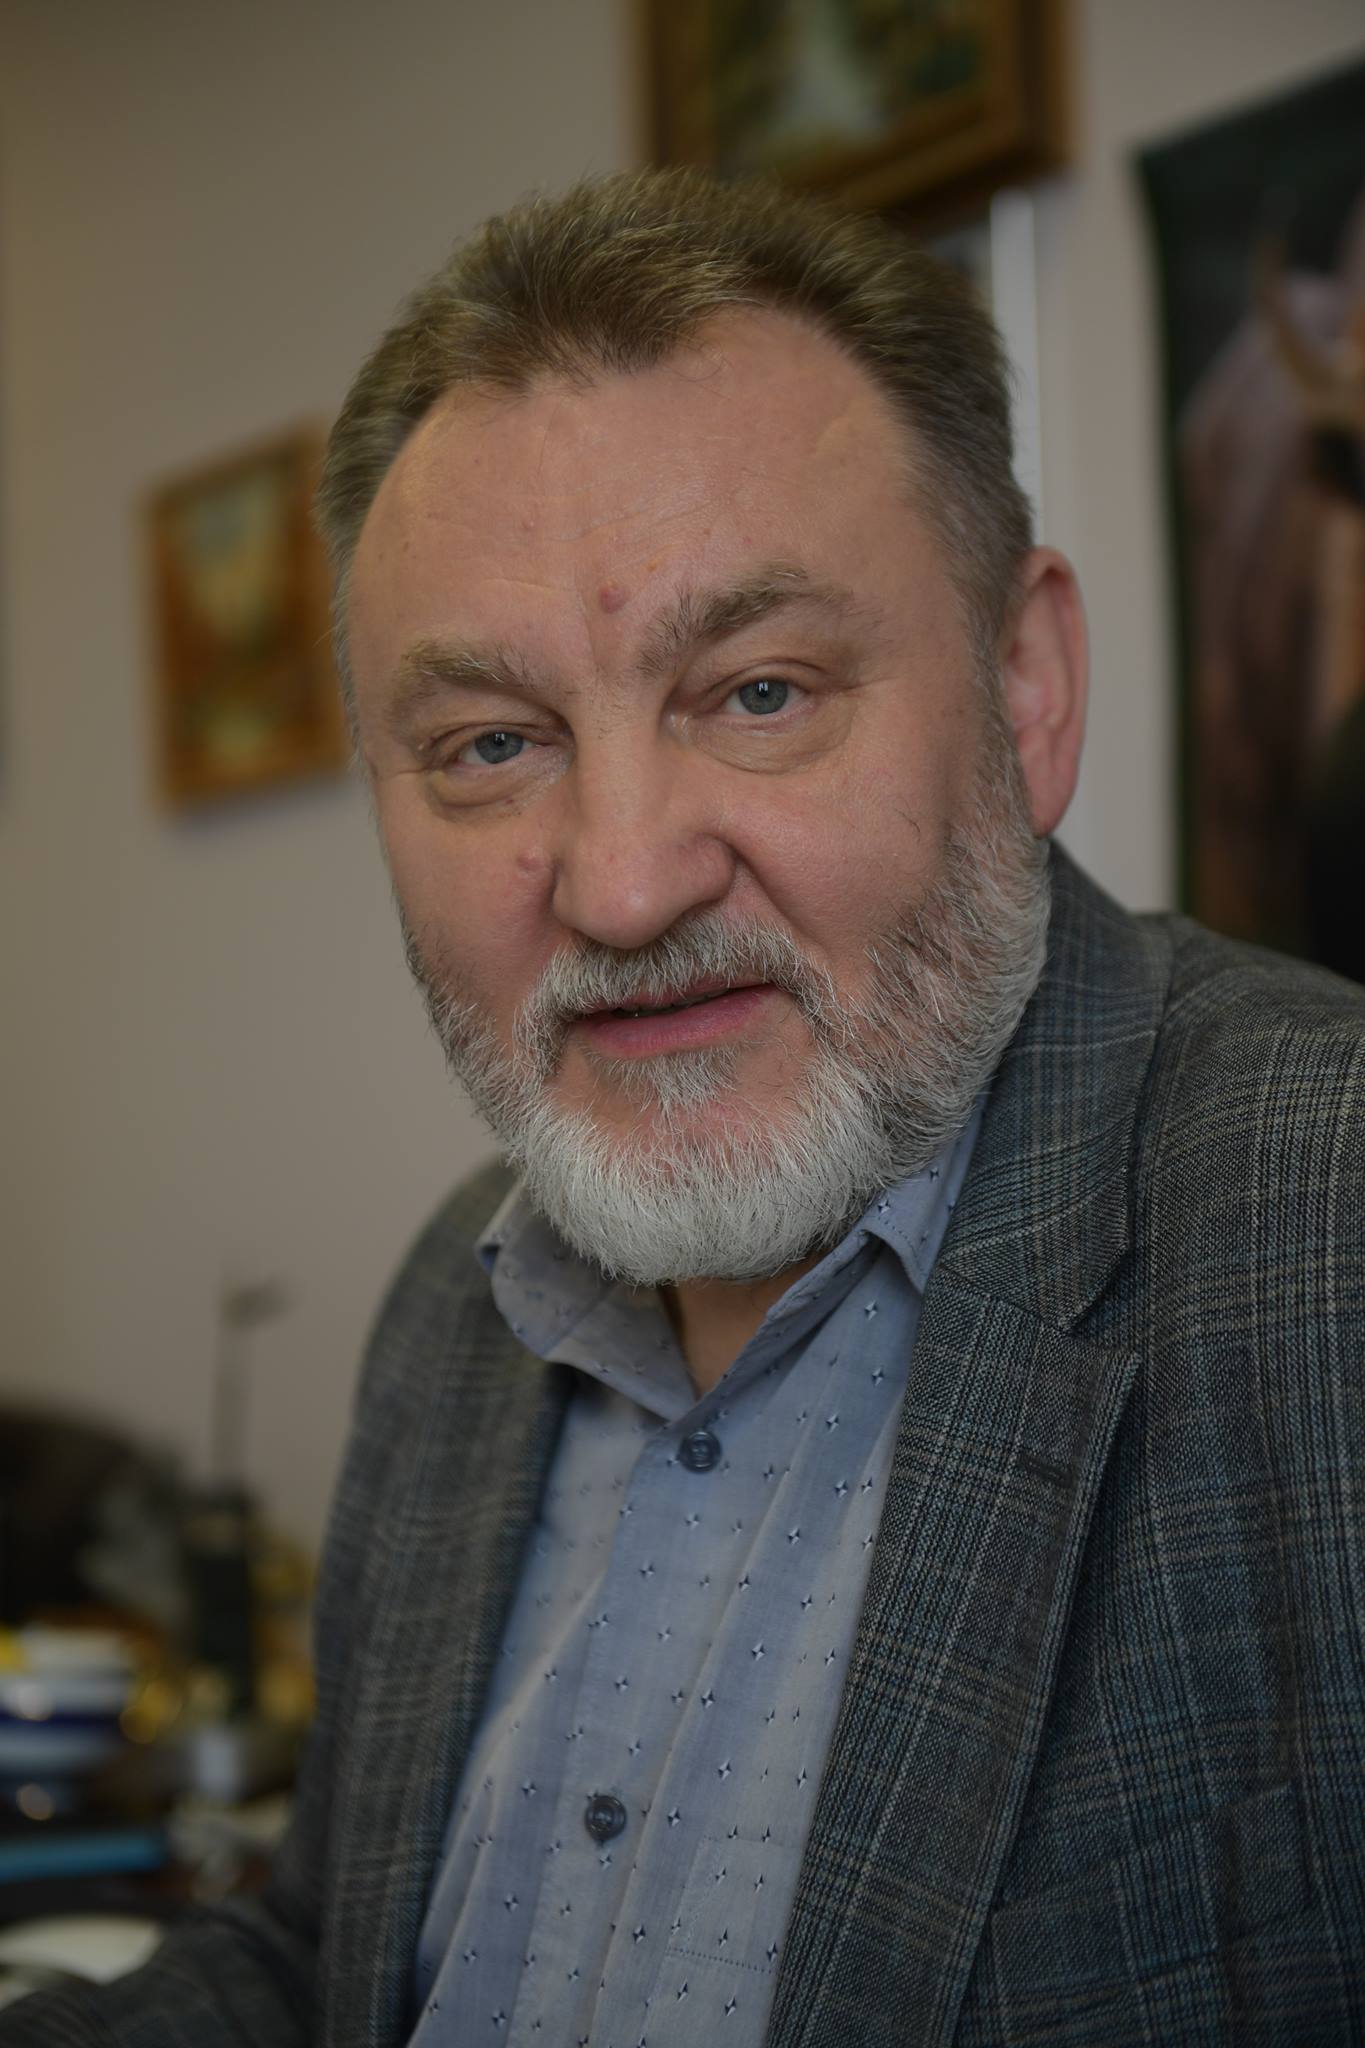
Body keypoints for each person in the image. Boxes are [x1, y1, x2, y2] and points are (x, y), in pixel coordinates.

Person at [5, 168, 1363, 2048]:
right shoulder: (454, 1303)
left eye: (757, 692)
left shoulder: (1328, 1229)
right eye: (491, 744)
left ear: (1026, 687)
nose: (624, 884)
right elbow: (334, 1963)